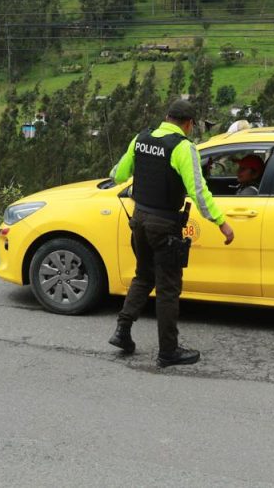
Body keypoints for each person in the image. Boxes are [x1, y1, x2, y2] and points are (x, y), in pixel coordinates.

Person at [107, 99, 234, 367]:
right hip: (164, 225)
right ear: (188, 124)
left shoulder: (141, 138)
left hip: (138, 220)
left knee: (144, 275)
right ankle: (168, 351)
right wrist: (221, 222)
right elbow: (199, 192)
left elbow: (118, 174)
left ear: (166, 117)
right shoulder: (183, 148)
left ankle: (123, 330)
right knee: (168, 288)